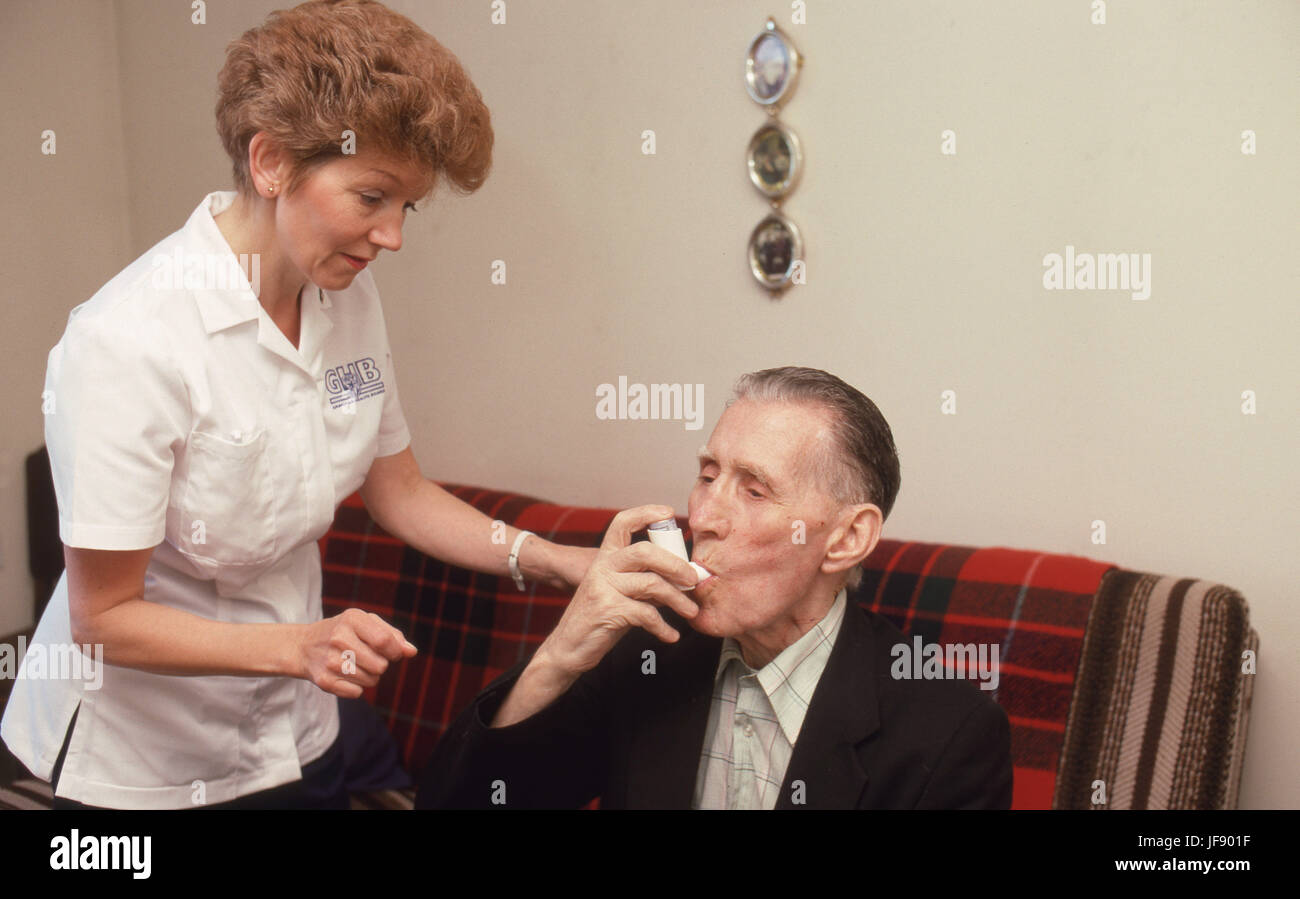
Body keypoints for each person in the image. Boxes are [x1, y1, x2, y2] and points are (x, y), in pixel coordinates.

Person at [0, 0, 592, 810]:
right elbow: (104, 616)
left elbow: (400, 491)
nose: (393, 237)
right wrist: (299, 645)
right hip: (145, 764)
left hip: (297, 732)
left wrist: (558, 559)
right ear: (272, 161)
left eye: (407, 207)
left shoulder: (346, 297)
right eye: (372, 197)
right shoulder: (128, 341)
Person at [417, 366, 1013, 809]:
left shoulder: (949, 732)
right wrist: (560, 656)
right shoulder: (645, 653)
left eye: (754, 490)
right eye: (707, 476)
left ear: (847, 538)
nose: (701, 516)